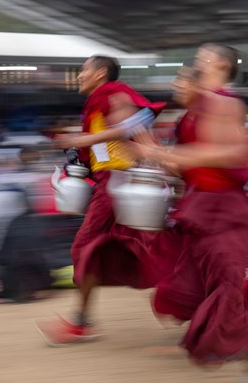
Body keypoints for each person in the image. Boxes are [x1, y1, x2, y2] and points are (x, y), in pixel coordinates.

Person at [130, 44, 248, 382]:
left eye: (202, 56)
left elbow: (231, 156)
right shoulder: (193, 113)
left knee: (224, 292)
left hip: (224, 211)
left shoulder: (227, 104)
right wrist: (157, 157)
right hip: (198, 209)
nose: (193, 64)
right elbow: (189, 167)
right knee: (191, 288)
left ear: (219, 63)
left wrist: (164, 155)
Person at [35, 55, 166, 346]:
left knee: (87, 248)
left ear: (100, 73)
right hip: (118, 185)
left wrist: (85, 141)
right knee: (140, 250)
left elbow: (138, 123)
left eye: (83, 69)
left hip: (119, 185)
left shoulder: (113, 93)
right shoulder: (102, 99)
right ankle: (81, 322)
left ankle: (81, 324)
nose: (79, 75)